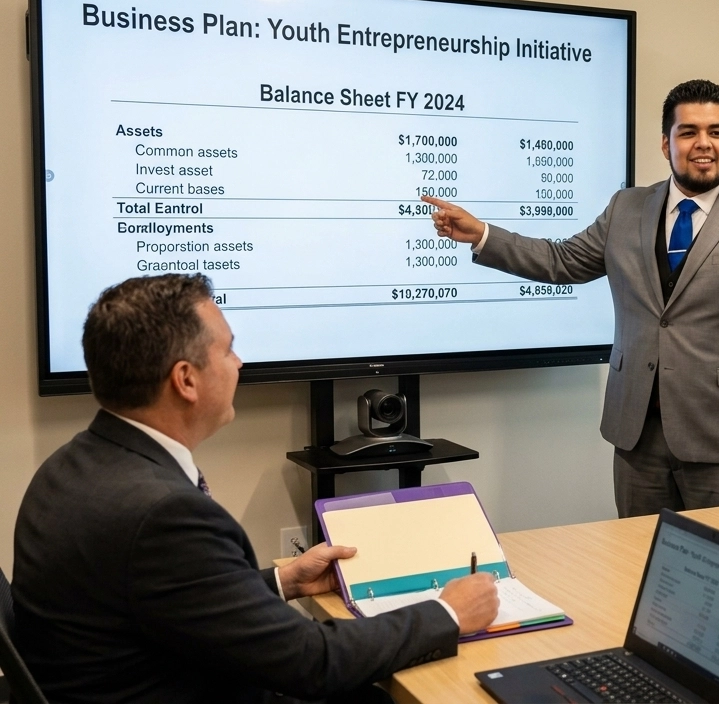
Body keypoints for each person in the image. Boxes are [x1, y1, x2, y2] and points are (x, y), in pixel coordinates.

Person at [12, 275, 500, 703]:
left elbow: (170, 602)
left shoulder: (71, 465)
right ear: (185, 380)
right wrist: (447, 613)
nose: (239, 363)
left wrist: (284, 581)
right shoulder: (164, 514)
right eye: (227, 350)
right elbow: (312, 663)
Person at [425, 79, 719, 517]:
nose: (704, 144)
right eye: (688, 132)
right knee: (636, 554)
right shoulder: (627, 208)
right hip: (637, 437)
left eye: (716, 132)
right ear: (666, 144)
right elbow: (562, 261)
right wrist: (483, 235)